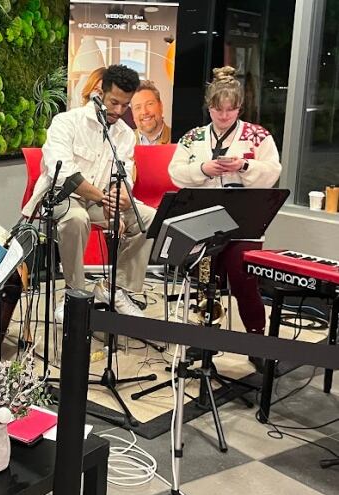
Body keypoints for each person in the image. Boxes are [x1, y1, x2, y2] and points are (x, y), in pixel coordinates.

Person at [168, 66, 282, 373]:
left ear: (239, 109)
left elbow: (273, 172)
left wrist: (244, 165)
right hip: (204, 219)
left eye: (230, 112)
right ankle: (204, 339)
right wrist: (203, 171)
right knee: (204, 277)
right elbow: (175, 172)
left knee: (243, 275)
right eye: (218, 111)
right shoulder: (193, 137)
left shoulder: (258, 136)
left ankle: (257, 342)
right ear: (209, 107)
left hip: (245, 220)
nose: (223, 117)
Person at [23, 64, 156, 320]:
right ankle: (75, 294)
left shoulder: (125, 134)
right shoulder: (66, 122)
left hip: (101, 198)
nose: (119, 111)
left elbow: (124, 172)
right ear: (99, 93)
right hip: (64, 196)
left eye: (125, 105)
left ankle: (115, 289)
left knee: (148, 218)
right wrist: (102, 197)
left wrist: (121, 194)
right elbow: (64, 174)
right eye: (114, 102)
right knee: (76, 218)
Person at [131, 80, 172, 145]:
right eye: (138, 107)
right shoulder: (122, 143)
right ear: (132, 113)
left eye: (149, 104)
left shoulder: (181, 141)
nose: (144, 112)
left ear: (160, 106)